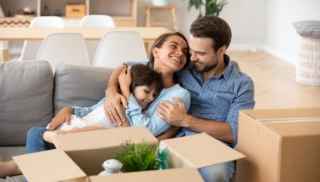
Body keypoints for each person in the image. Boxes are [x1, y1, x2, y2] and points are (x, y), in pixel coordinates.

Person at [0, 32, 191, 178]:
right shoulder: (138, 71)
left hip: (114, 141)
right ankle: (34, 170)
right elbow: (119, 74)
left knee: (47, 141)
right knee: (35, 132)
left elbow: (143, 130)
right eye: (173, 46)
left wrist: (124, 91)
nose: (180, 53)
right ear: (156, 51)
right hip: (88, 127)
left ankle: (20, 168)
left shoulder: (178, 94)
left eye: (185, 51)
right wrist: (107, 93)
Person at [105, 16, 255, 182]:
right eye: (191, 51)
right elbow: (126, 66)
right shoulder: (184, 66)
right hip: (172, 141)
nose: (192, 57)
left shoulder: (242, 84)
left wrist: (185, 120)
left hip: (212, 146)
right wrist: (111, 91)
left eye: (201, 53)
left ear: (221, 51)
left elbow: (234, 133)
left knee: (216, 173)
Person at [43, 64, 165, 144]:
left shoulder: (138, 115)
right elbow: (88, 111)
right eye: (147, 91)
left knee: (102, 130)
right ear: (132, 85)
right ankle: (60, 136)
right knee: (36, 133)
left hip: (93, 139)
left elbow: (132, 132)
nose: (150, 98)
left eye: (154, 95)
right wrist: (68, 110)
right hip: (77, 126)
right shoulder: (113, 99)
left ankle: (61, 137)